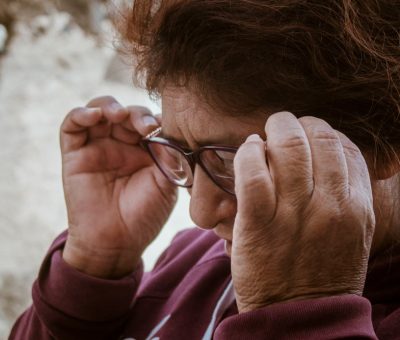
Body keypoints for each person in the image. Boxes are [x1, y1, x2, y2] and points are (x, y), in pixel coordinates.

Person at [9, 0, 400, 339]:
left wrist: (297, 311)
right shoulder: (198, 258)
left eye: (237, 162)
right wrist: (92, 269)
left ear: (385, 146)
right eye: (178, 148)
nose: (200, 214)